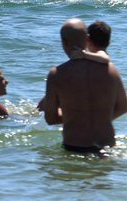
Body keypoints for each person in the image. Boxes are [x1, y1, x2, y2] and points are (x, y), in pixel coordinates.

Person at [42, 18, 127, 153]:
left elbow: (50, 119)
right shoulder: (111, 70)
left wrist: (74, 115)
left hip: (74, 147)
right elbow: (123, 106)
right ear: (88, 39)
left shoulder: (56, 74)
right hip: (106, 147)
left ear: (64, 41)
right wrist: (101, 118)